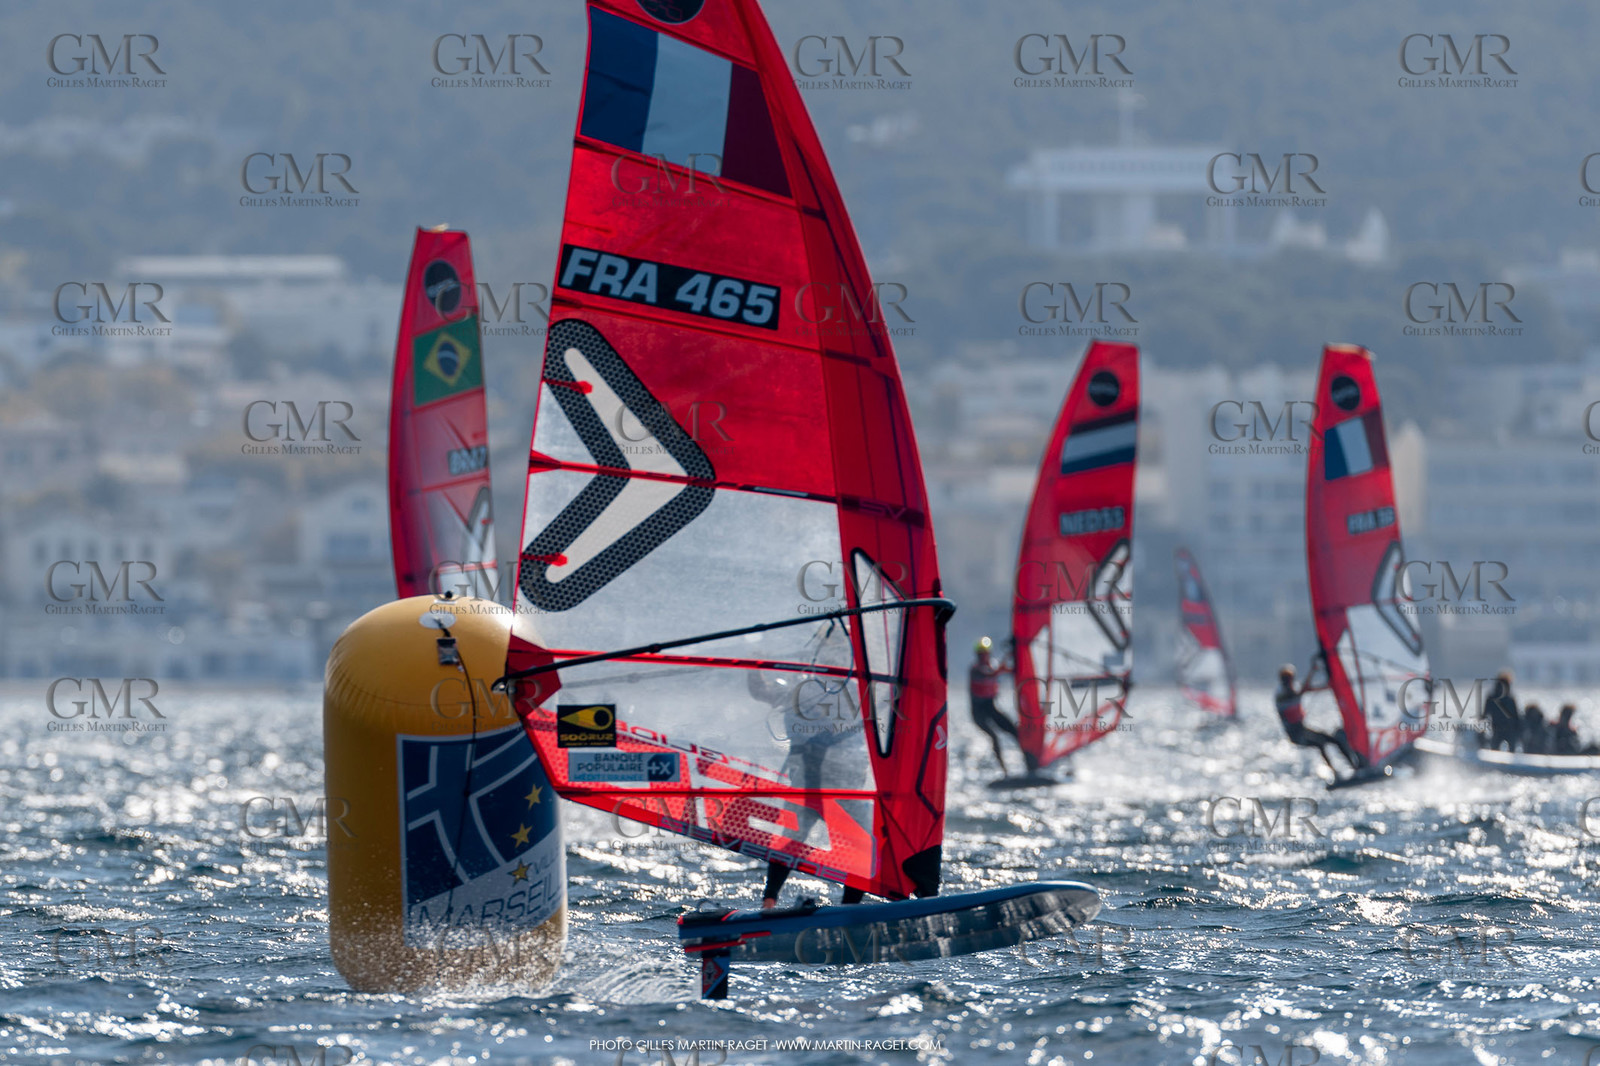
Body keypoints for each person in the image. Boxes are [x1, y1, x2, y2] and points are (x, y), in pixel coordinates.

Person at [748, 619, 869, 909]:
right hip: (812, 784)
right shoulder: (801, 687)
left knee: (858, 848)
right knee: (793, 841)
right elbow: (760, 690)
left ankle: (847, 911)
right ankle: (770, 902)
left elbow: (883, 710)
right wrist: (754, 656)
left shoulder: (855, 688)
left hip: (840, 785)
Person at [1274, 660, 1361, 774]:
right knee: (1320, 744)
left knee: (1336, 740)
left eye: (1291, 679)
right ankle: (1335, 773)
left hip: (1303, 729)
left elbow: (1308, 689)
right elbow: (1302, 691)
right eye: (1287, 679)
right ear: (1283, 680)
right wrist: (1312, 670)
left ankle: (1356, 768)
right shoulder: (1281, 695)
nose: (1290, 681)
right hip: (1296, 735)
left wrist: (1332, 686)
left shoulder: (1294, 689)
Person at [969, 636, 1033, 776]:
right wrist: (1004, 665)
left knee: (1015, 732)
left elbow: (1007, 670)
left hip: (991, 708)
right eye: (981, 654)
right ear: (978, 655)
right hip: (979, 713)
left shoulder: (993, 665)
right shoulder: (975, 670)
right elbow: (990, 674)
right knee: (994, 737)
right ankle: (1005, 772)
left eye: (985, 653)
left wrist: (1016, 652)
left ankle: (1030, 768)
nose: (983, 656)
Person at [1482, 671, 1520, 752]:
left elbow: (1485, 714)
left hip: (1497, 727)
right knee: (1511, 751)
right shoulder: (1510, 699)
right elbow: (1516, 716)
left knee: (1495, 749)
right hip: (1509, 729)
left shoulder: (1491, 697)